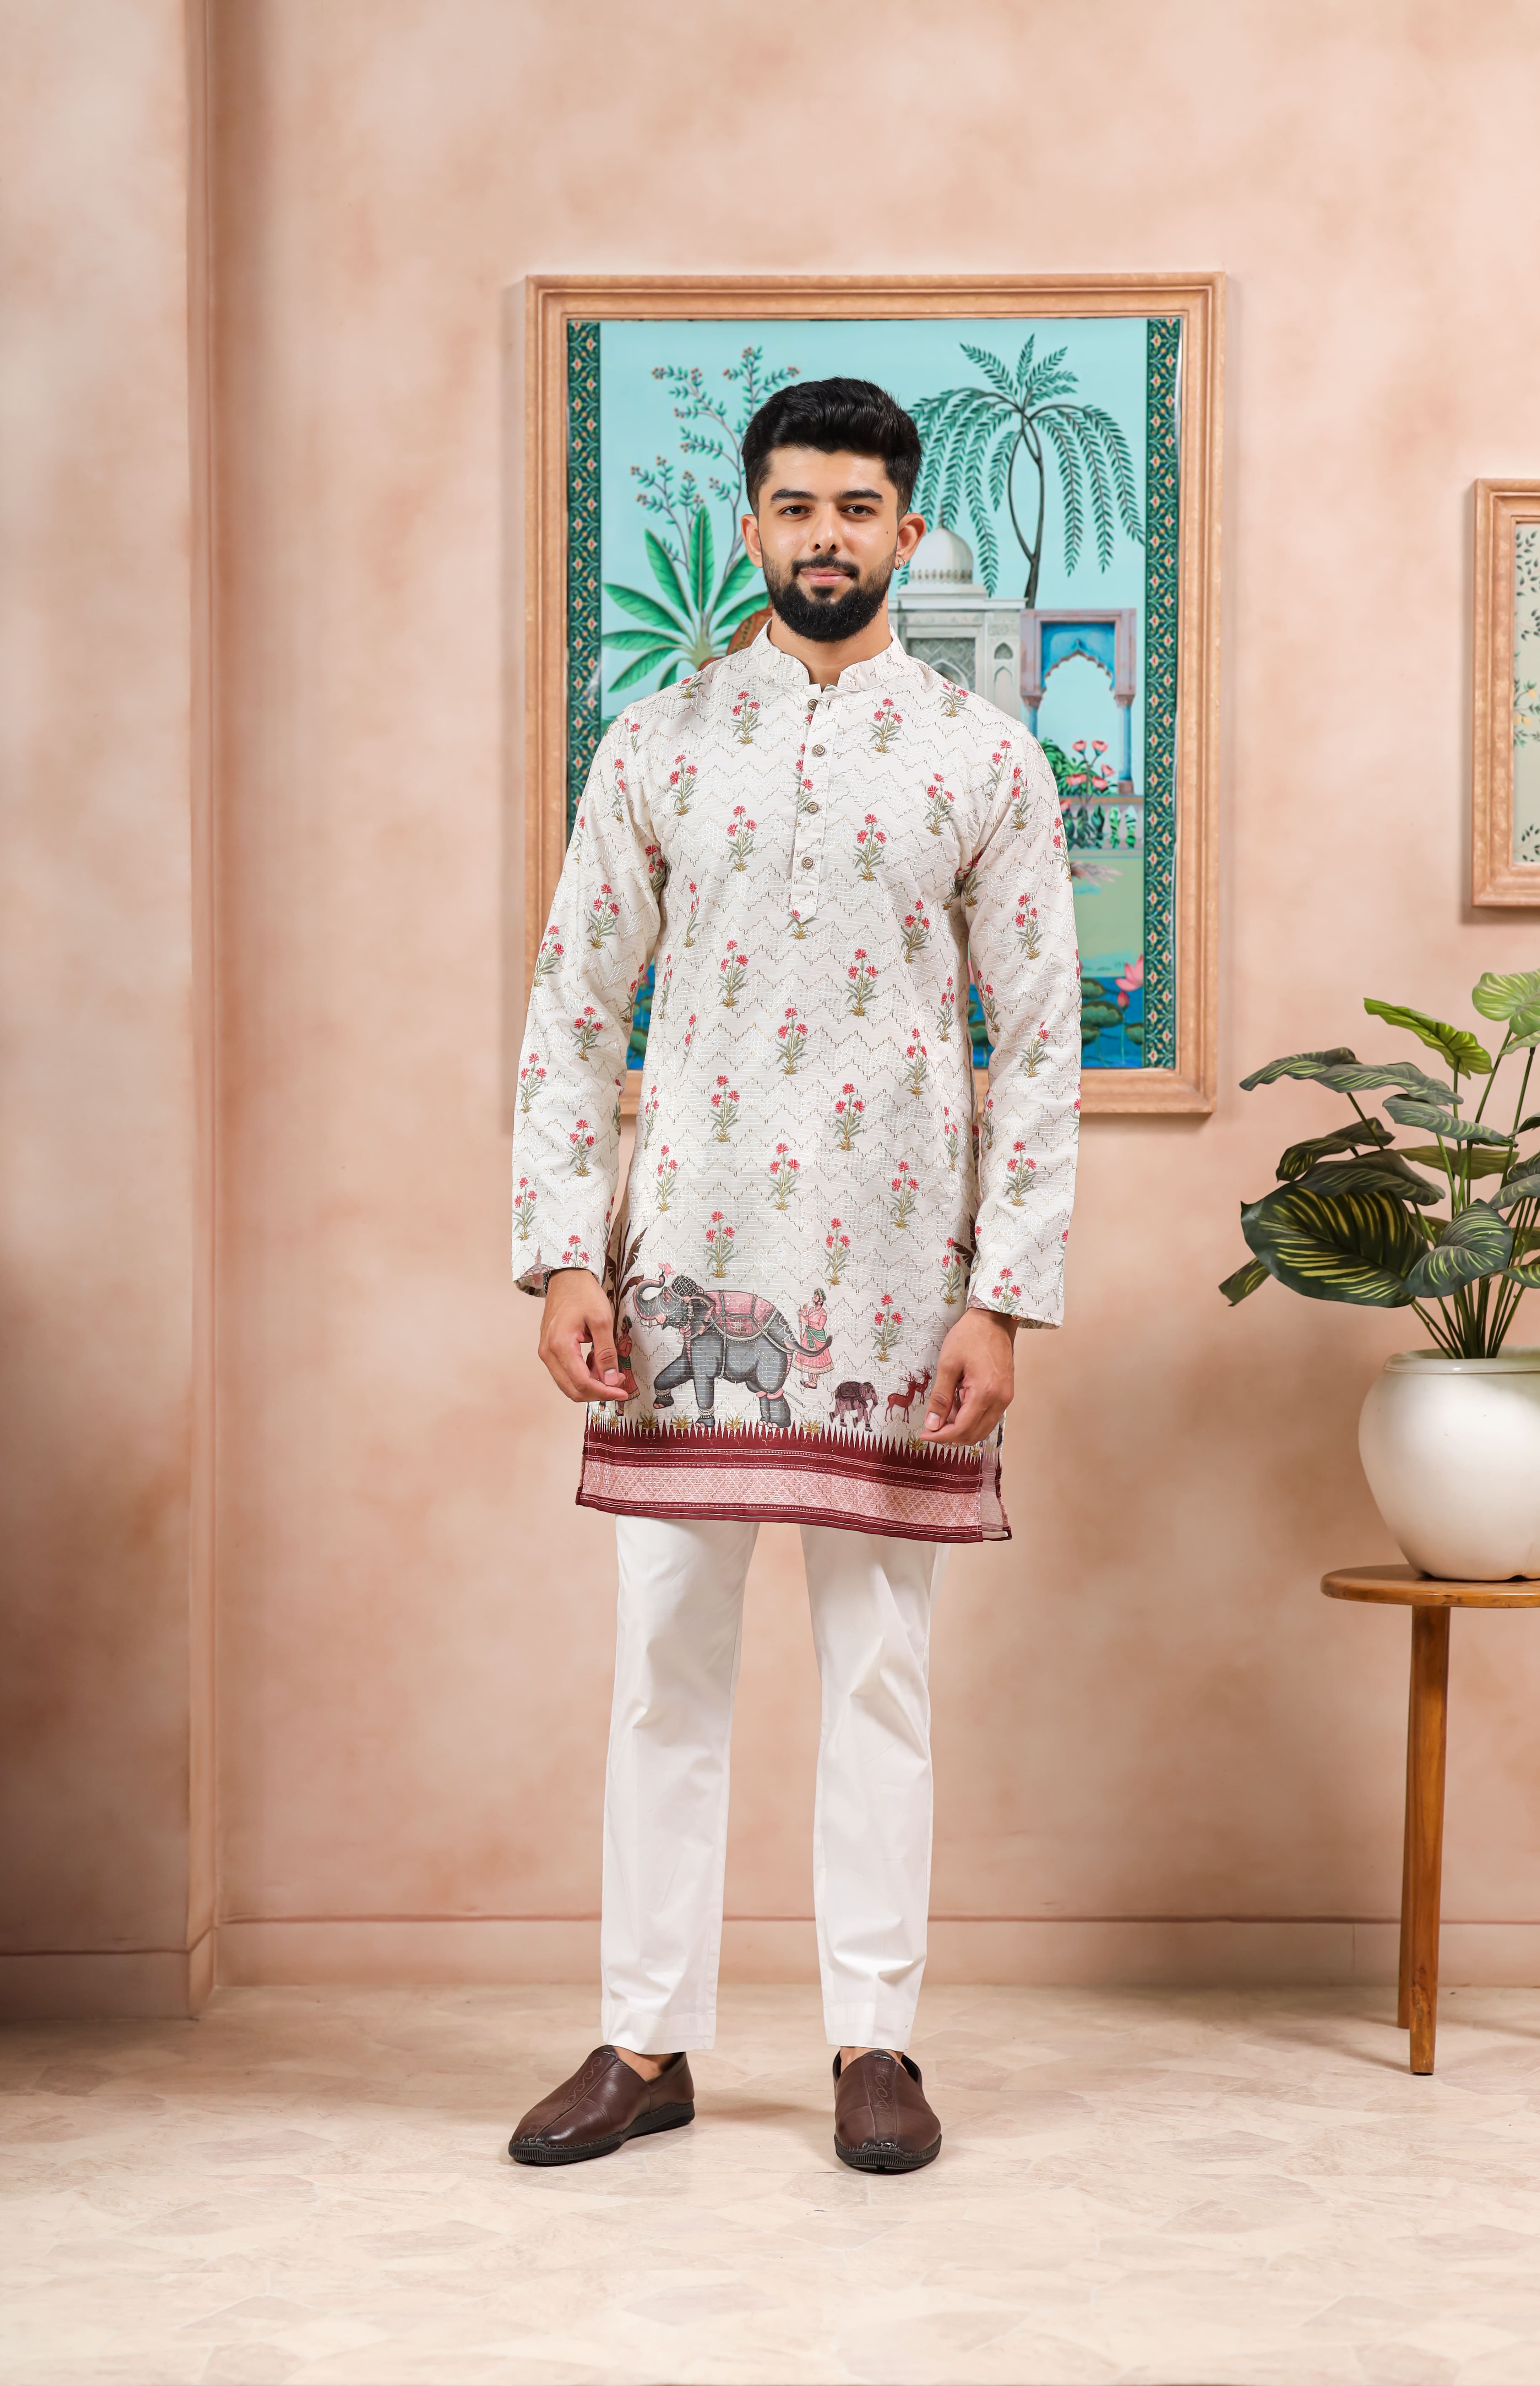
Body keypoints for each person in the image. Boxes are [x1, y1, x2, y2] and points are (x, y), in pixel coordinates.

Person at [508, 377, 1080, 2173]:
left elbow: (1038, 1042)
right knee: (662, 1666)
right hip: (682, 1278)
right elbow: (573, 1008)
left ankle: (873, 2042)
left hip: (903, 1288)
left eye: (854, 507)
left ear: (906, 529)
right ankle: (644, 2038)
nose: (823, 536)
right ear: (751, 524)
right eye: (793, 506)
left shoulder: (984, 759)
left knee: (878, 1672)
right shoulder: (657, 746)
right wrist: (562, 1254)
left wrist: (1004, 1292)